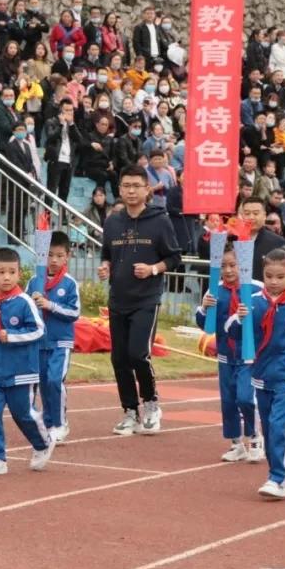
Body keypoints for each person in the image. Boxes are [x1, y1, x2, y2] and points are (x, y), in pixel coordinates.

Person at [228, 249, 285, 499]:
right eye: (269, 276)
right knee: (269, 430)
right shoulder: (253, 302)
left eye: (280, 276)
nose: (273, 281)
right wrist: (239, 319)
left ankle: (278, 478)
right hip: (260, 376)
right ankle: (278, 472)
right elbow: (233, 333)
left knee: (279, 427)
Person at [99, 165, 182, 435]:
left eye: (137, 186)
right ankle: (130, 411)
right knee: (119, 358)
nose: (131, 191)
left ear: (148, 189)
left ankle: (151, 404)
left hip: (146, 298)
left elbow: (174, 258)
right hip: (118, 298)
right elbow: (107, 254)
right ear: (120, 189)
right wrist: (105, 267)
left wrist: (153, 269)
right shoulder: (113, 222)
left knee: (138, 354)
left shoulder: (160, 221)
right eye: (126, 186)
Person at [0, 248, 56, 476]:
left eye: (11, 272)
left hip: (21, 371)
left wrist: (12, 336)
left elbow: (39, 330)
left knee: (22, 414)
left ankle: (43, 442)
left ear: (18, 274)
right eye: (1, 272)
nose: (6, 277)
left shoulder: (24, 302)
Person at [197, 244, 265, 463]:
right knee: (228, 401)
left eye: (233, 265)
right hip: (226, 355)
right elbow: (205, 325)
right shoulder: (215, 290)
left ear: (242, 265)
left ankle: (255, 437)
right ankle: (236, 443)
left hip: (249, 355)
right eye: (223, 266)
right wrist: (204, 308)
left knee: (246, 398)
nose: (228, 270)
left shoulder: (256, 288)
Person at [25, 232, 80, 442]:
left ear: (67, 256)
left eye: (59, 255)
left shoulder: (69, 284)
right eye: (49, 255)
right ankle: (47, 422)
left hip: (61, 342)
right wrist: (32, 301)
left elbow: (74, 313)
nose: (54, 260)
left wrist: (50, 305)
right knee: (43, 383)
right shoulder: (34, 282)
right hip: (38, 342)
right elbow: (24, 308)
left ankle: (60, 423)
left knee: (55, 380)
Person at [238, 196, 285, 280]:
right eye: (247, 213)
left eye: (256, 213)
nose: (251, 217)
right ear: (241, 216)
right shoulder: (232, 240)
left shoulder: (278, 242)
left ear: (264, 216)